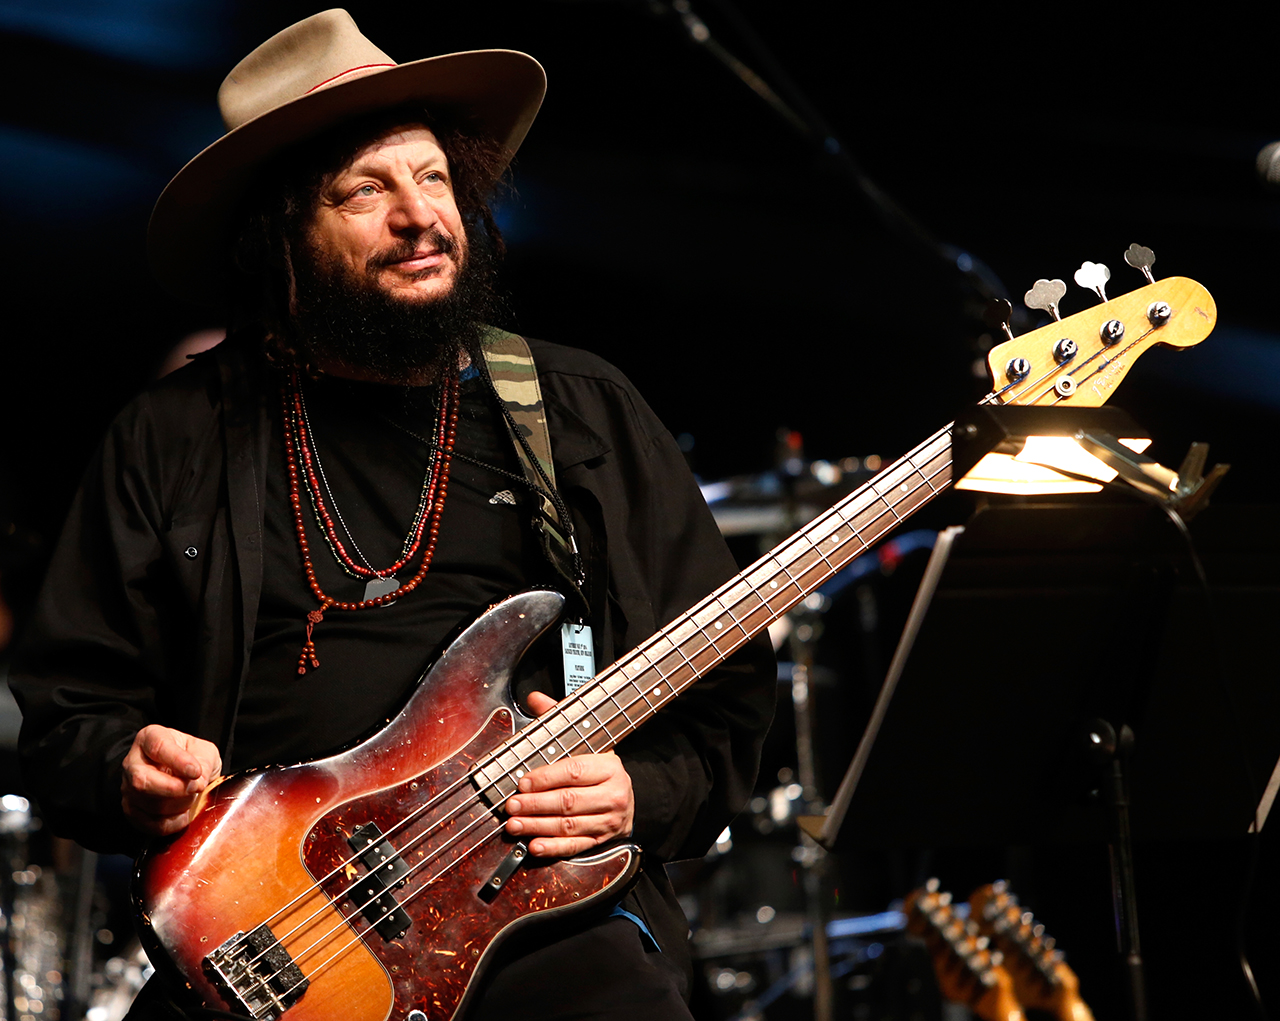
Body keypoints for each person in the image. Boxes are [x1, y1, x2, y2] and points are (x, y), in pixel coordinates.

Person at [9, 9, 775, 1020]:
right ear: (283, 235)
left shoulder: (577, 412)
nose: (420, 216)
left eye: (433, 178)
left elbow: (727, 689)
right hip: (271, 945)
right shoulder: (175, 434)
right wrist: (126, 769)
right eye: (365, 191)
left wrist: (642, 789)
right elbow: (65, 716)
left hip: (538, 913)